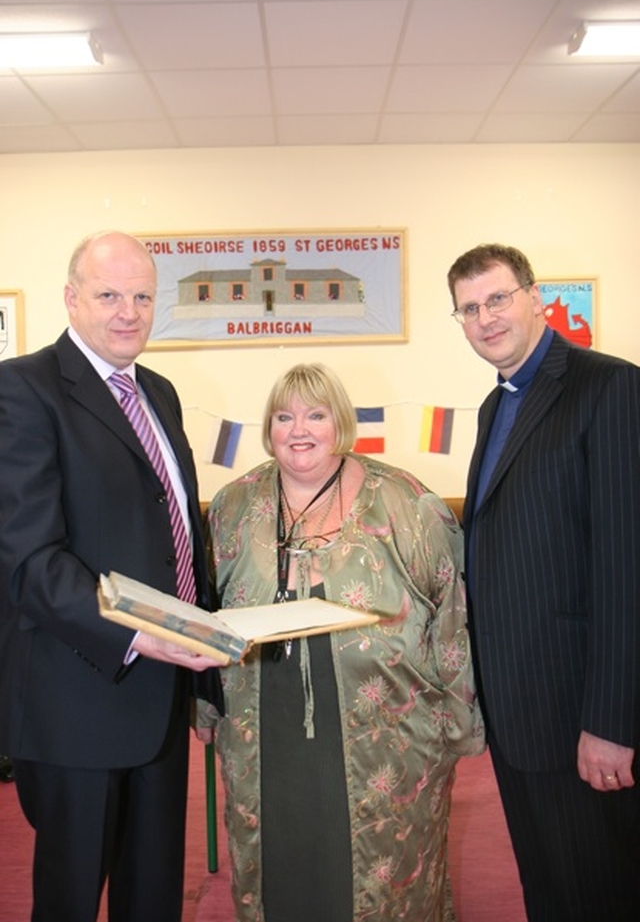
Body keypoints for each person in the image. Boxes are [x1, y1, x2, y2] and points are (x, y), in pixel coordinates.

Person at [201, 362, 484, 922]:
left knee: (386, 878)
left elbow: (451, 606)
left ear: (342, 423)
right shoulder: (233, 506)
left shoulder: (404, 501)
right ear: (268, 426)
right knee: (283, 871)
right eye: (284, 416)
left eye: (315, 415)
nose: (298, 429)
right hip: (265, 737)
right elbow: (205, 610)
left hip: (391, 736)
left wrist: (458, 712)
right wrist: (205, 703)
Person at [0, 231, 223, 922]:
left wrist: (205, 666)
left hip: (161, 695)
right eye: (108, 294)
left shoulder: (159, 391)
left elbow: (178, 531)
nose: (127, 311)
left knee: (152, 895)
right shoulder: (22, 389)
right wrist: (135, 636)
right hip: (79, 697)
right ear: (72, 298)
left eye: (141, 296)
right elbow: (29, 558)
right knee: (69, 899)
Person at [447, 243, 640, 921]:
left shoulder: (608, 386)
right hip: (517, 712)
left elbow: (627, 564)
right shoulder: (492, 407)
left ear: (535, 296)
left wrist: (612, 721)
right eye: (469, 308)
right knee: (549, 888)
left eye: (498, 298)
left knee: (604, 891)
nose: (486, 317)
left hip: (581, 716)